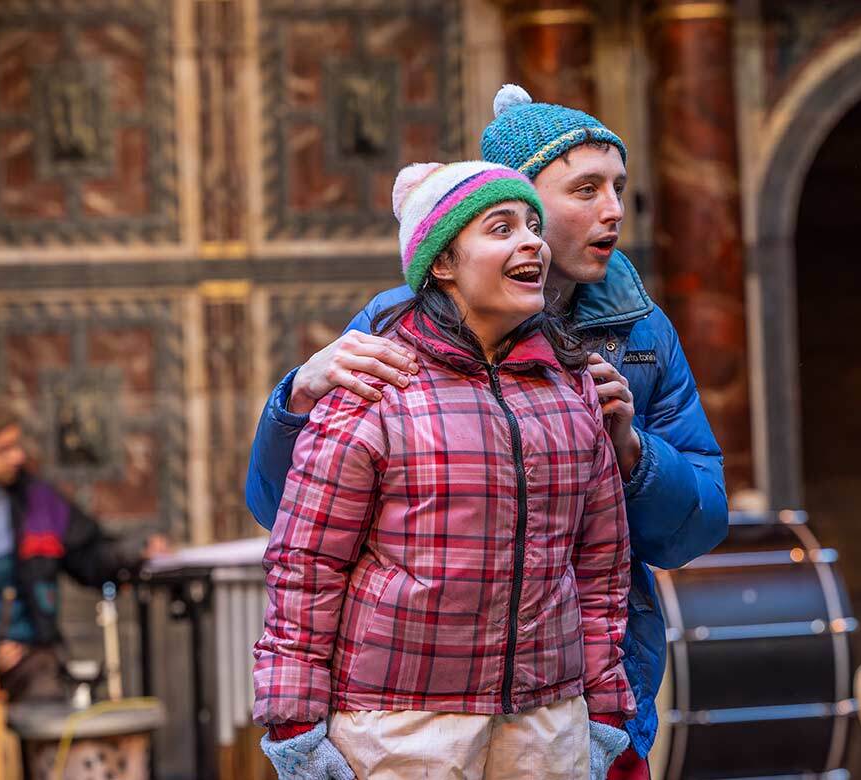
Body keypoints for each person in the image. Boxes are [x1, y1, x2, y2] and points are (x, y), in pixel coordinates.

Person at [246, 85, 728, 777]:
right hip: (410, 715)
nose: (614, 211)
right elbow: (295, 529)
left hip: (572, 702)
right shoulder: (391, 334)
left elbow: (684, 534)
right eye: (585, 189)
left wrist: (632, 453)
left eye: (619, 187)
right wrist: (293, 400)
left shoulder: (641, 334)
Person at [0, 391, 168, 702]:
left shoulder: (38, 500)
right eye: (4, 449)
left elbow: (88, 555)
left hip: (28, 657)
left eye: (17, 445)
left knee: (47, 694)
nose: (18, 457)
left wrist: (132, 552)